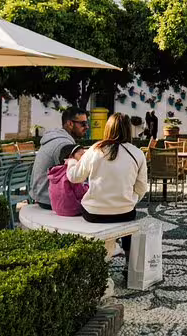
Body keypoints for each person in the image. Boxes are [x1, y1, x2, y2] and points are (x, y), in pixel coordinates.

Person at [67, 112, 147, 262]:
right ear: (128, 130)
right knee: (128, 217)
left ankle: (94, 260)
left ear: (108, 129)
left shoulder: (95, 149)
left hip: (93, 214)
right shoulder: (137, 153)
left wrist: (71, 161)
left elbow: (74, 177)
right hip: (125, 213)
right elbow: (142, 187)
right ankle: (129, 263)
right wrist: (129, 200)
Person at [30, 107, 89, 210]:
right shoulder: (61, 142)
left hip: (42, 196)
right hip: (49, 199)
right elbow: (66, 150)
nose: (87, 127)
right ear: (70, 124)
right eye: (83, 124)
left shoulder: (58, 137)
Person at [48, 144, 88, 217]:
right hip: (73, 210)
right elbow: (81, 193)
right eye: (82, 155)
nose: (85, 158)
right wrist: (88, 186)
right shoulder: (72, 173)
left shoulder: (56, 171)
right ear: (71, 157)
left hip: (57, 209)